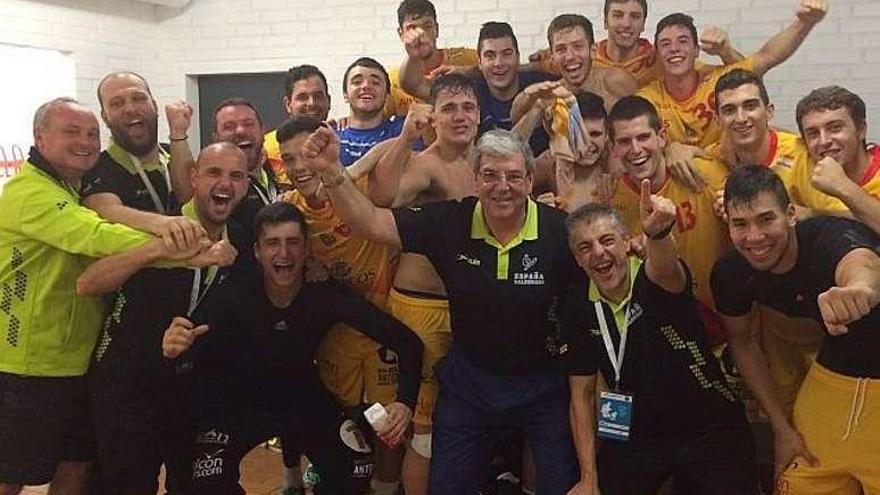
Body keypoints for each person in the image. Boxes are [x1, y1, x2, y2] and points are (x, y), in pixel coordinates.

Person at [297, 126, 583, 494]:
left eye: (513, 176)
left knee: (561, 484)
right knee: (446, 487)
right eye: (490, 175)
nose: (502, 186)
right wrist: (333, 171)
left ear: (530, 181)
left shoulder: (560, 231)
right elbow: (370, 221)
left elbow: (610, 268)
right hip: (470, 381)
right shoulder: (450, 221)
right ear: (475, 180)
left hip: (540, 382)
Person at [0, 98, 219, 495]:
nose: (85, 141)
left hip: (79, 359)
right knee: (12, 473)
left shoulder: (73, 184)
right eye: (71, 132)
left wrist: (177, 248)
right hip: (27, 364)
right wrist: (181, 245)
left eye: (89, 133)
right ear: (39, 137)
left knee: (76, 465)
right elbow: (95, 234)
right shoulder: (30, 193)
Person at [162, 202, 424, 495]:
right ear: (257, 252)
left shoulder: (325, 294)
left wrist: (405, 401)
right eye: (272, 243)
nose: (283, 254)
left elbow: (406, 341)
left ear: (306, 249)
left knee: (356, 467)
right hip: (236, 402)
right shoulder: (233, 293)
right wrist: (175, 346)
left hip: (301, 397)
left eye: (293, 243)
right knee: (206, 482)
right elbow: (187, 343)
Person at [77, 141, 246, 494]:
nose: (225, 184)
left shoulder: (240, 241)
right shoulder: (158, 222)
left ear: (245, 185)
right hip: (127, 383)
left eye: (236, 176)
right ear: (194, 177)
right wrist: (160, 250)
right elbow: (88, 282)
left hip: (189, 390)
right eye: (214, 172)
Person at [561, 193, 754, 494]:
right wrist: (589, 477)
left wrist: (658, 233)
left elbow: (665, 266)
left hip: (707, 425)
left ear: (626, 242)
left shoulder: (655, 276)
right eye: (585, 247)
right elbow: (582, 395)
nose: (598, 253)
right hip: (636, 433)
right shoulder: (577, 306)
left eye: (607, 240)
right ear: (576, 259)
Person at [711, 165, 880, 494]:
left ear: (790, 214)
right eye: (740, 224)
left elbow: (861, 263)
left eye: (766, 219)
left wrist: (859, 290)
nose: (755, 237)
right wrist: (780, 427)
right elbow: (742, 343)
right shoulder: (731, 272)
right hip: (835, 374)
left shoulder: (824, 236)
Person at [277, 113, 418, 495]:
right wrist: (307, 264)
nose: (298, 165)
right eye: (288, 159)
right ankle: (330, 475)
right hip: (337, 332)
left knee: (387, 427)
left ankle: (385, 488)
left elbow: (394, 149)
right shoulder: (290, 208)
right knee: (346, 418)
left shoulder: (354, 187)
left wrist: (358, 162)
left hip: (383, 327)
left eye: (305, 154)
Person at [605, 95, 730, 345]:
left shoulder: (704, 173)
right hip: (661, 336)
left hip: (729, 325)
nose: (636, 149)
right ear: (613, 148)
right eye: (624, 141)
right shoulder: (607, 198)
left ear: (661, 136)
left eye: (643, 137)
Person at [637, 0, 827, 148]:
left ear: (696, 50)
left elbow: (767, 56)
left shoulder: (720, 79)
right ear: (658, 54)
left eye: (683, 41)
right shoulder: (647, 98)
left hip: (731, 166)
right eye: (665, 44)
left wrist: (805, 22)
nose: (674, 49)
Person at [82, 72, 202, 250]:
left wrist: (178, 134)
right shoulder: (96, 166)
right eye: (117, 103)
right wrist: (165, 224)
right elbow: (106, 211)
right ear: (105, 117)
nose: (130, 109)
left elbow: (190, 199)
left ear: (154, 105)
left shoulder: (175, 151)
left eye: (139, 98)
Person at [528, 0, 744, 87]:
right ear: (605, 20)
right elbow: (531, 66)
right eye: (618, 15)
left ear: (643, 23)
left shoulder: (662, 58)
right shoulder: (582, 56)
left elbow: (744, 75)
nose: (626, 24)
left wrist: (726, 51)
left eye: (634, 16)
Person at [511, 13, 637, 119]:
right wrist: (527, 96)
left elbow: (644, 120)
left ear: (593, 51)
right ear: (553, 57)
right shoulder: (550, 97)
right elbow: (516, 122)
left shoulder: (616, 80)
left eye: (577, 46)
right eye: (561, 49)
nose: (570, 56)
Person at [795, 85, 880, 235]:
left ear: (861, 129)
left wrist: (842, 186)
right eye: (813, 133)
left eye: (835, 128)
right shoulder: (802, 166)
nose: (824, 141)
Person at [390, 0, 478, 118]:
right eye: (412, 28)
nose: (421, 34)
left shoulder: (467, 58)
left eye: (427, 26)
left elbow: (501, 70)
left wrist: (469, 72)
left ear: (436, 29)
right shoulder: (393, 80)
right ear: (401, 34)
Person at [212, 98, 280, 244]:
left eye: (248, 124)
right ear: (216, 138)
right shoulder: (213, 189)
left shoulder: (274, 173)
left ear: (263, 131)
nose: (241, 131)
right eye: (229, 126)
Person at [338, 57, 420, 167]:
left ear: (387, 95)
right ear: (345, 95)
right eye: (357, 82)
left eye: (375, 83)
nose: (366, 86)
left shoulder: (404, 129)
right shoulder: (330, 135)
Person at [264, 64, 333, 186]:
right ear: (288, 104)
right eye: (302, 97)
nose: (311, 103)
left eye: (318, 96)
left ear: (329, 101)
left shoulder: (343, 142)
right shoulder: (266, 148)